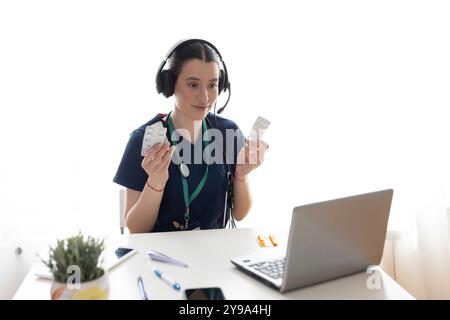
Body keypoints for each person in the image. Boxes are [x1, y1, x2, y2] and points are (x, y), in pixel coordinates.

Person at [113, 39, 269, 233]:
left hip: (214, 254)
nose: (205, 97)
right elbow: (136, 229)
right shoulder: (144, 139)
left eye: (212, 85)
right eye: (193, 85)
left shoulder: (228, 133)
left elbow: (239, 214)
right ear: (169, 84)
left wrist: (241, 176)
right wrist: (156, 181)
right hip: (161, 257)